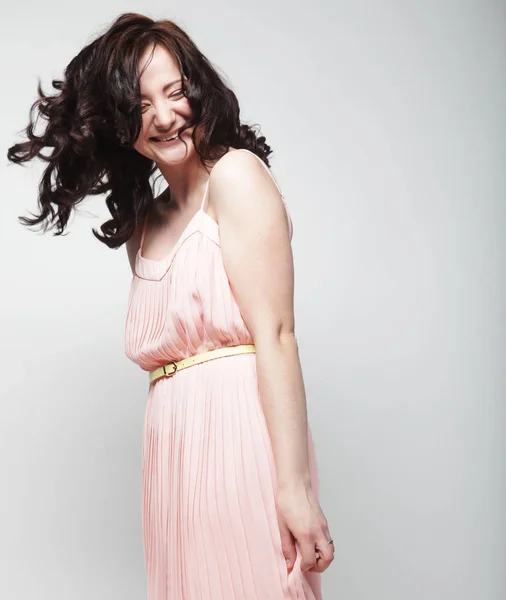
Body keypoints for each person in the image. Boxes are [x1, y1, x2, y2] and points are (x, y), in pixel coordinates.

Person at [7, 12, 334, 600]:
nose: (163, 116)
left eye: (175, 91)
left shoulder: (236, 177)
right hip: (173, 456)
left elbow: (278, 334)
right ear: (116, 121)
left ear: (198, 89)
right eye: (138, 104)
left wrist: (294, 487)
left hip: (241, 440)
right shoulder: (144, 226)